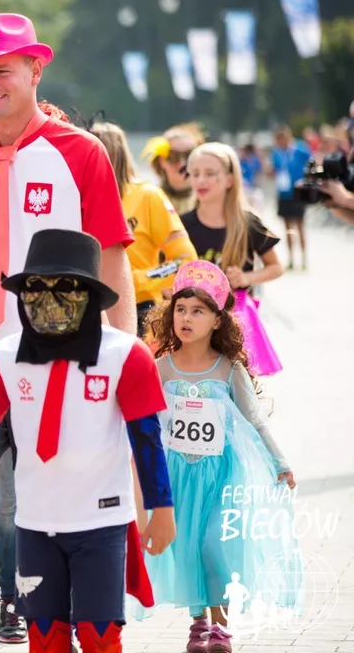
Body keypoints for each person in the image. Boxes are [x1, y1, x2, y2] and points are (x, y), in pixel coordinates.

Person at [0, 12, 136, 650]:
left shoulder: (80, 153)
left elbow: (112, 257)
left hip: (59, 362)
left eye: (2, 71)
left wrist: (125, 356)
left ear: (36, 69)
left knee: (61, 516)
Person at [0, 229, 176, 653]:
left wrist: (161, 508)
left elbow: (147, 439)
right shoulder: (4, 355)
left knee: (99, 637)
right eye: (36, 287)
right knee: (45, 638)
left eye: (64, 287)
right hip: (36, 521)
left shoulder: (126, 355)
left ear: (90, 296)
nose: (48, 299)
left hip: (101, 520)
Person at [144, 261, 298, 653]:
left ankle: (221, 626)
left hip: (222, 474)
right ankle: (198, 622)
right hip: (178, 474)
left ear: (217, 321)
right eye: (180, 309)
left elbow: (256, 421)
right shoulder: (160, 368)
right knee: (187, 546)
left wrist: (280, 462)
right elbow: (144, 424)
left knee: (215, 543)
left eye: (198, 311)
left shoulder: (229, 369)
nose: (186, 318)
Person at [180, 143, 283, 377]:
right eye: (195, 173)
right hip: (193, 324)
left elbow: (276, 267)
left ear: (229, 179)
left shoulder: (247, 223)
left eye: (210, 173)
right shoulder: (181, 225)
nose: (201, 180)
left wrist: (247, 277)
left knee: (239, 385)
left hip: (237, 322)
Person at [91, 121, 196, 335]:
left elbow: (185, 259)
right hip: (87, 312)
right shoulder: (75, 197)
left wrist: (137, 280)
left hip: (140, 312)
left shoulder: (148, 197)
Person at [268, 125, 312, 269]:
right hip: (284, 193)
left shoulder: (300, 149)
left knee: (300, 225)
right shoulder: (276, 153)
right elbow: (273, 171)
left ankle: (304, 259)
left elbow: (312, 163)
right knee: (287, 228)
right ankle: (291, 259)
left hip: (298, 193)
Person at [143, 123, 206, 215]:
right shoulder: (149, 200)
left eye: (189, 155)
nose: (182, 163)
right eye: (174, 156)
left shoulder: (211, 199)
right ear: (162, 161)